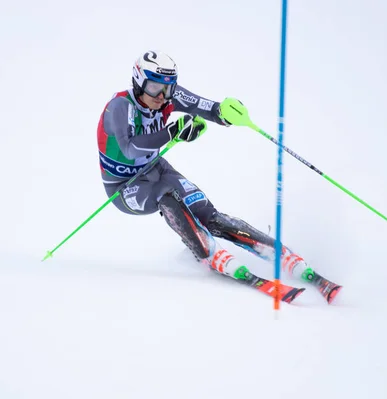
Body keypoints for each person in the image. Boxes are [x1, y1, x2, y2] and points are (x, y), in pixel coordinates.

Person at [96, 50, 341, 303]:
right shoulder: (120, 107)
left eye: (168, 88)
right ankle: (209, 254)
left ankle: (285, 257)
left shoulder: (168, 95)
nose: (162, 96)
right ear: (138, 81)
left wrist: (225, 113)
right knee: (166, 196)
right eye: (155, 87)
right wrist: (173, 133)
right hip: (124, 186)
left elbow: (205, 107)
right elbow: (129, 148)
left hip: (156, 167)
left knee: (207, 214)